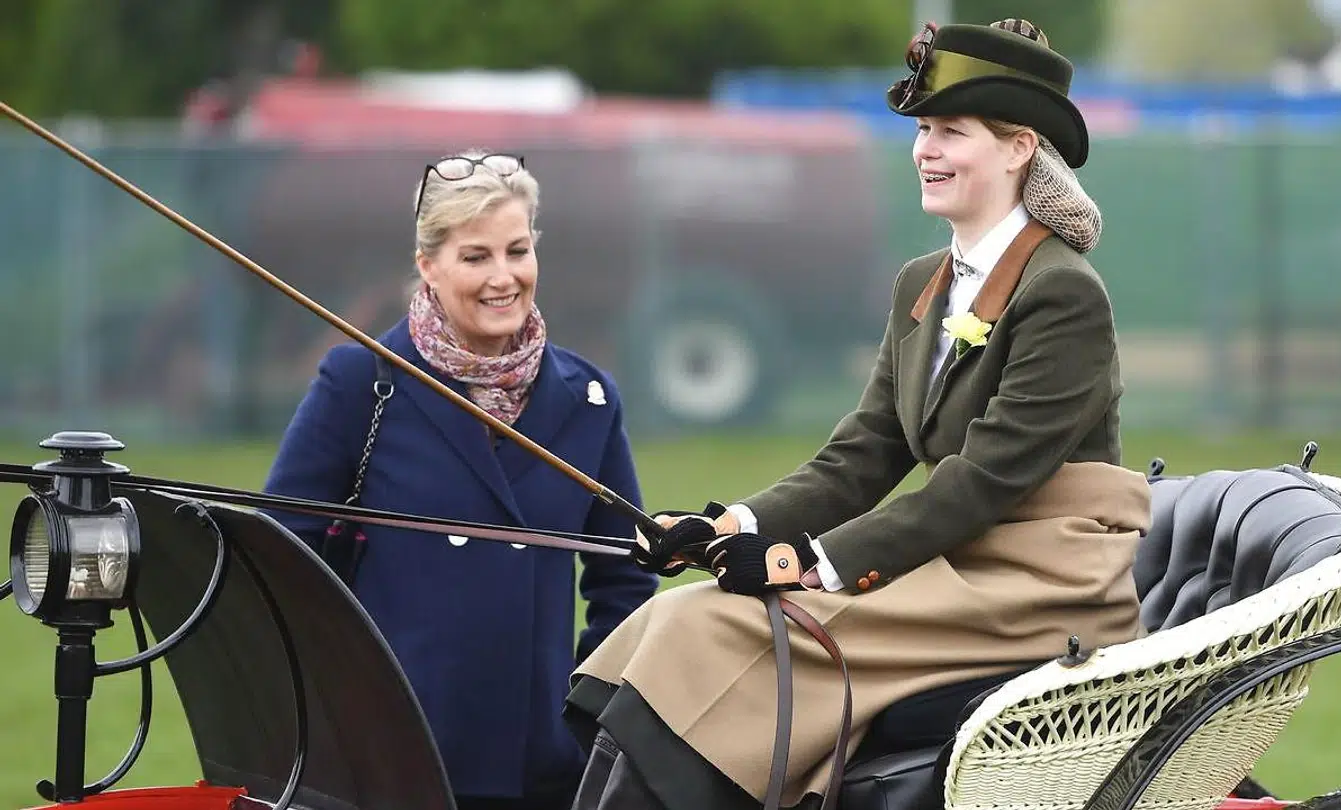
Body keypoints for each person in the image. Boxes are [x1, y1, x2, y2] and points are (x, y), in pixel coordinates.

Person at [563, 18, 1152, 810]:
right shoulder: (922, 281)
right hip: (958, 558)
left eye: (952, 131)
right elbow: (868, 450)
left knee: (717, 635)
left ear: (1019, 148)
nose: (925, 149)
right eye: (921, 130)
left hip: (1036, 581)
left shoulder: (1063, 292)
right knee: (677, 619)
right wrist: (731, 528)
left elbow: (985, 482)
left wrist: (806, 561)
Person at [262, 150, 659, 810]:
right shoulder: (359, 384)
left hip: (540, 771)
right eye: (476, 257)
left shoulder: (590, 397)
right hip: (392, 760)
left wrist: (587, 718)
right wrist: (341, 703)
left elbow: (625, 578)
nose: (503, 277)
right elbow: (278, 558)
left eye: (517, 250)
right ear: (429, 266)